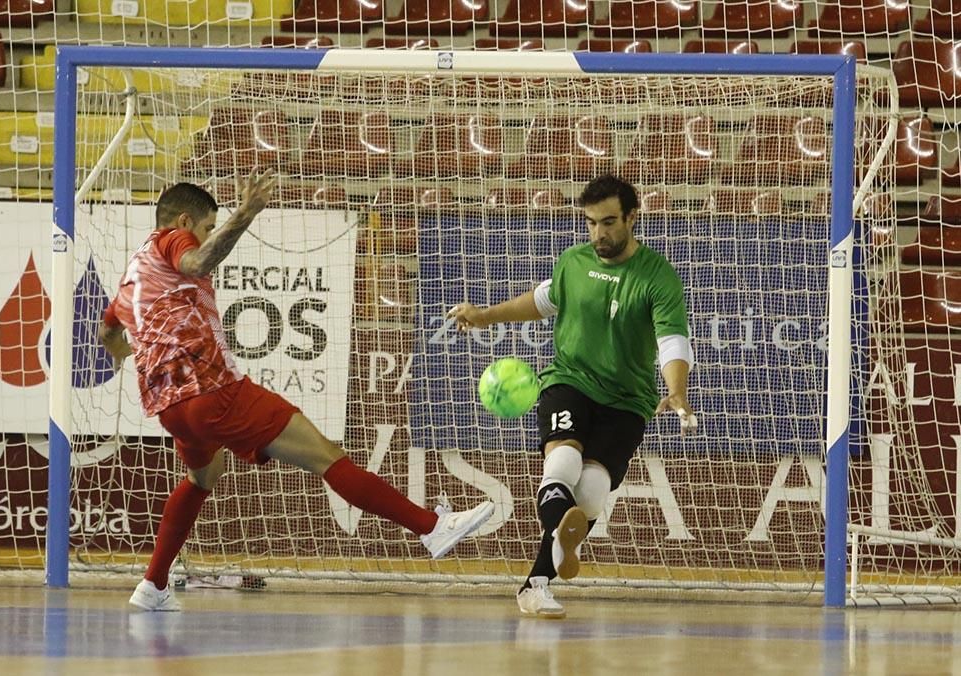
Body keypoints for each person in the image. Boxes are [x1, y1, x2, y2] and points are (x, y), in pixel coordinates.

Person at [100, 171, 494, 612]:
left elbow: (108, 328)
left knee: (202, 478)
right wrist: (246, 212)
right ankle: (430, 527)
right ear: (185, 221)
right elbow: (197, 264)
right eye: (209, 227)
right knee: (326, 456)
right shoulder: (173, 241)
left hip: (170, 407)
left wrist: (125, 352)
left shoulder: (133, 273)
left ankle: (152, 585)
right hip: (212, 391)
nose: (208, 235)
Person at [448, 174, 696, 619]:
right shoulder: (573, 262)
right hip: (570, 380)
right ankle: (545, 574)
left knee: (595, 491)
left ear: (631, 218)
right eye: (590, 223)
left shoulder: (657, 276)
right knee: (562, 463)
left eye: (608, 223)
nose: (598, 233)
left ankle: (534, 583)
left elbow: (672, 340)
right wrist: (484, 316)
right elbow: (542, 301)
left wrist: (676, 390)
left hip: (628, 399)